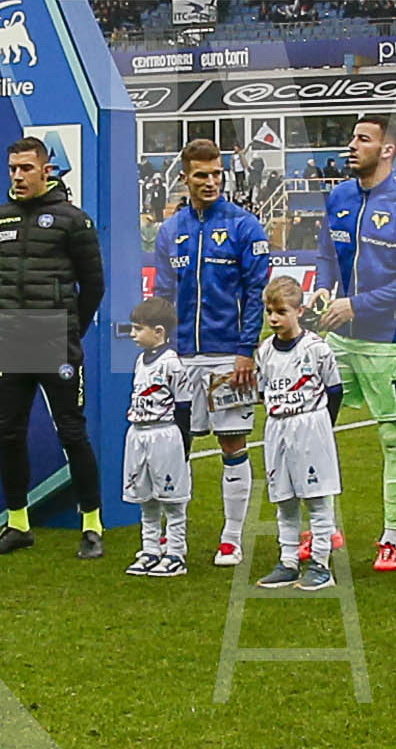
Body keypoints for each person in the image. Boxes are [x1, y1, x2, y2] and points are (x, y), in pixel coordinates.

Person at [0, 134, 109, 559]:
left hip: (57, 341)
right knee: (8, 433)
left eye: (26, 169)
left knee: (72, 432)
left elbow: (94, 285)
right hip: (13, 343)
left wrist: (71, 327)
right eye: (13, 169)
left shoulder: (74, 220)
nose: (18, 176)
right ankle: (18, 524)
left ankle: (91, 524)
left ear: (46, 170)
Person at [320, 115, 396, 572]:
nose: (352, 146)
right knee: (316, 429)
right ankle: (324, 527)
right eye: (352, 138)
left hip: (388, 341)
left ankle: (391, 537)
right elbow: (329, 254)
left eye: (363, 140)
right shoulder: (340, 196)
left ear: (387, 150)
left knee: (391, 437)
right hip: (337, 339)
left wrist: (356, 305)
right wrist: (325, 288)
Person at [154, 138, 272, 568]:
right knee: (174, 447)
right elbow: (163, 295)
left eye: (216, 174)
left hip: (228, 358)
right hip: (183, 357)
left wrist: (246, 350)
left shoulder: (244, 226)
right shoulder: (171, 231)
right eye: (201, 175)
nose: (210, 182)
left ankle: (231, 537)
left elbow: (257, 293)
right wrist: (164, 351)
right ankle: (174, 534)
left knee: (232, 443)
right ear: (184, 177)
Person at [251, 276, 345, 590]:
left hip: (310, 424)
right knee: (284, 499)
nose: (274, 318)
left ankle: (320, 564)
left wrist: (320, 425)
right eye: (269, 311)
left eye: (281, 311)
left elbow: (334, 391)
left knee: (317, 500)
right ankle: (288, 560)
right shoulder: (264, 351)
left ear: (299, 311)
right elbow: (263, 392)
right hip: (277, 427)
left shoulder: (316, 349)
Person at [119, 296, 200, 577]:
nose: (132, 335)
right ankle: (150, 550)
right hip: (138, 434)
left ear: (159, 332)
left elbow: (183, 406)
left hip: (163, 435)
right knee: (146, 498)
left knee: (172, 500)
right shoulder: (141, 360)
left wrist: (183, 442)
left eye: (138, 329)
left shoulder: (171, 363)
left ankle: (176, 553)